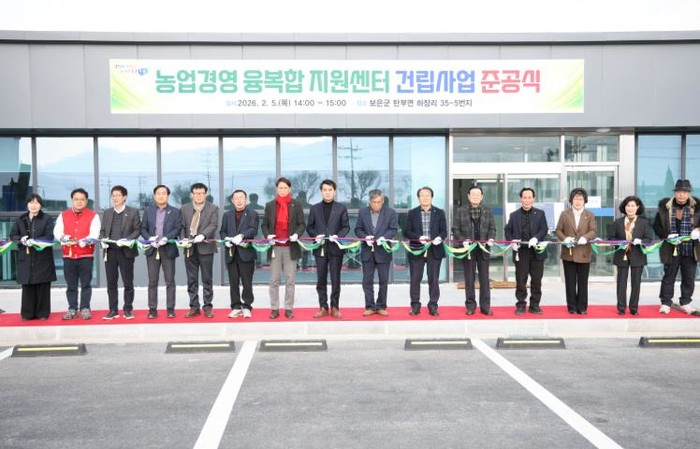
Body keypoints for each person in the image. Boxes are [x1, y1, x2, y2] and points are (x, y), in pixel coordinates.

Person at [653, 179, 700, 315]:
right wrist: (667, 235)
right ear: (675, 193)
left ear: (689, 193)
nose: (681, 195)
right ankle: (665, 303)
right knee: (669, 276)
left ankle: (685, 302)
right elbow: (656, 226)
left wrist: (698, 230)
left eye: (684, 192)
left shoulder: (697, 207)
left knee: (689, 277)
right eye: (679, 192)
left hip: (691, 249)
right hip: (671, 248)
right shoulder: (665, 208)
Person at [261, 177, 306, 319]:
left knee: (290, 280)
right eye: (280, 188)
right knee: (274, 280)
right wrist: (268, 235)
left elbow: (302, 224)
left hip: (290, 247)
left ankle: (288, 308)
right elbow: (264, 225)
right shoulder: (270, 205)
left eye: (285, 188)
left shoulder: (296, 204)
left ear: (289, 189)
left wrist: (296, 234)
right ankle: (274, 308)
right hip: (275, 247)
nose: (283, 190)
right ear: (277, 189)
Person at [54, 188, 101, 320]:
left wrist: (84, 241)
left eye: (82, 199)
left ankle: (85, 308)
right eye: (76, 199)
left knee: (86, 284)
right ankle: (72, 309)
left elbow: (95, 233)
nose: (79, 202)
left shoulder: (93, 216)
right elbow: (57, 232)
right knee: (71, 285)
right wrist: (64, 238)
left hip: (85, 256)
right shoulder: (63, 215)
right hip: (69, 256)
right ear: (72, 200)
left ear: (86, 201)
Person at [307, 179, 350, 319]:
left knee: (335, 279)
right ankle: (323, 307)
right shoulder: (315, 208)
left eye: (330, 190)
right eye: (325, 190)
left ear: (334, 191)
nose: (327, 192)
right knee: (321, 278)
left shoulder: (341, 208)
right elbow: (310, 227)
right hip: (320, 248)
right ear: (321, 191)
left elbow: (346, 227)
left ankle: (335, 307)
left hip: (335, 248)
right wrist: (316, 235)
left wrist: (338, 236)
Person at [452, 185, 496, 315]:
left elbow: (492, 228)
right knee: (469, 278)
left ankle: (485, 307)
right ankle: (470, 306)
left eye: (478, 194)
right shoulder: (461, 210)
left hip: (483, 248)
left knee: (484, 279)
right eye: (473, 194)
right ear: (468, 196)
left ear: (482, 196)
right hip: (468, 249)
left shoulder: (488, 211)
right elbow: (455, 229)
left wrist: (491, 238)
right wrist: (462, 240)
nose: (475, 196)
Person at [10, 194, 56, 320]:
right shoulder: (21, 219)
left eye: (36, 203)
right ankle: (27, 314)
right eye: (31, 202)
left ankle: (42, 313)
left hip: (42, 257)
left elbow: (49, 236)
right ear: (27, 204)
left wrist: (35, 241)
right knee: (27, 286)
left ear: (40, 205)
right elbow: (12, 235)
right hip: (26, 257)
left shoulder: (47, 218)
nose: (33, 205)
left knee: (42, 286)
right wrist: (21, 239)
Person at [99, 185, 142, 320]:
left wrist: (126, 240)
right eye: (113, 196)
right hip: (110, 251)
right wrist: (102, 241)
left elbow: (137, 230)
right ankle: (113, 310)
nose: (115, 198)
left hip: (126, 251)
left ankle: (127, 309)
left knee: (128, 282)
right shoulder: (107, 213)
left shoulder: (133, 212)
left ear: (124, 197)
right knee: (111, 282)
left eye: (118, 195)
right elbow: (102, 231)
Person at [403, 186, 447, 316]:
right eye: (422, 195)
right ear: (418, 198)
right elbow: (406, 231)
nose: (425, 198)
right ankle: (415, 306)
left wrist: (439, 238)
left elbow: (444, 231)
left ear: (432, 197)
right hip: (417, 249)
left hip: (435, 249)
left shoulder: (439, 212)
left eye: (427, 195)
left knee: (433, 279)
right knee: (415, 279)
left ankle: (433, 305)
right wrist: (418, 238)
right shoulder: (412, 213)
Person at [504, 187, 549, 315]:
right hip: (521, 252)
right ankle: (521, 305)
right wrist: (512, 241)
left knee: (536, 280)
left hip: (537, 252)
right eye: (524, 197)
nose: (527, 200)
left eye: (529, 197)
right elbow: (507, 230)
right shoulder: (514, 215)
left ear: (533, 199)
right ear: (521, 199)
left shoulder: (540, 214)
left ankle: (535, 305)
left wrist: (536, 238)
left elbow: (544, 229)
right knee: (521, 280)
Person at [354, 189, 398, 316]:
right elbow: (358, 229)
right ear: (369, 201)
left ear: (383, 201)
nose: (377, 205)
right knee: (367, 281)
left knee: (383, 280)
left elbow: (393, 229)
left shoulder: (391, 213)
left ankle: (381, 306)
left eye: (379, 202)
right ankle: (370, 306)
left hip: (383, 251)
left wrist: (384, 237)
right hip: (367, 252)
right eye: (374, 202)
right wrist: (365, 237)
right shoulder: (363, 212)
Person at [141, 184, 182, 319]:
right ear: (154, 196)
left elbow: (177, 229)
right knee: (152, 281)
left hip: (168, 249)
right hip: (153, 249)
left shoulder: (175, 211)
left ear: (168, 196)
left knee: (170, 281)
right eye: (158, 193)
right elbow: (143, 228)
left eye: (164, 193)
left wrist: (167, 238)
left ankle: (170, 309)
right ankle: (152, 309)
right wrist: (149, 238)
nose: (161, 196)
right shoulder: (148, 211)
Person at [555, 187, 597, 315]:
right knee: (570, 281)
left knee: (583, 282)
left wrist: (586, 237)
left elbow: (593, 231)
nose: (578, 202)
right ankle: (571, 307)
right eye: (575, 199)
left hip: (584, 252)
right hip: (569, 253)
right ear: (571, 200)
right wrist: (564, 239)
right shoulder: (565, 214)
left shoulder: (590, 215)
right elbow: (558, 230)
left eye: (580, 199)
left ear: (585, 201)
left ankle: (582, 307)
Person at [181, 182, 219, 318]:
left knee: (207, 279)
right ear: (192, 194)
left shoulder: (213, 208)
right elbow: (181, 226)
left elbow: (213, 225)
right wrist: (183, 239)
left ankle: (208, 307)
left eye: (202, 193)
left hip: (206, 248)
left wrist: (203, 235)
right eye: (196, 193)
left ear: (206, 194)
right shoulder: (184, 208)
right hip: (189, 248)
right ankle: (194, 307)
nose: (199, 195)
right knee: (192, 279)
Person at [611, 196, 654, 315]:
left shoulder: (644, 222)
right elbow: (611, 238)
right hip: (622, 255)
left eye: (633, 206)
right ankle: (621, 308)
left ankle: (634, 308)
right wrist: (619, 243)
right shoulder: (618, 222)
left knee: (636, 283)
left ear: (637, 207)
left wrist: (641, 241)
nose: (630, 208)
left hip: (637, 255)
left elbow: (649, 238)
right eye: (628, 206)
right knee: (621, 283)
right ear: (624, 207)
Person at [220, 189, 259, 318]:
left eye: (241, 197)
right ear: (232, 201)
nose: (239, 200)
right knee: (233, 282)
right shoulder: (227, 215)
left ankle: (247, 306)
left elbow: (253, 230)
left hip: (246, 253)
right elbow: (222, 231)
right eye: (236, 198)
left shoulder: (252, 214)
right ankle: (236, 306)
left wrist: (242, 235)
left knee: (247, 281)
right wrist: (226, 240)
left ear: (246, 199)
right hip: (231, 253)